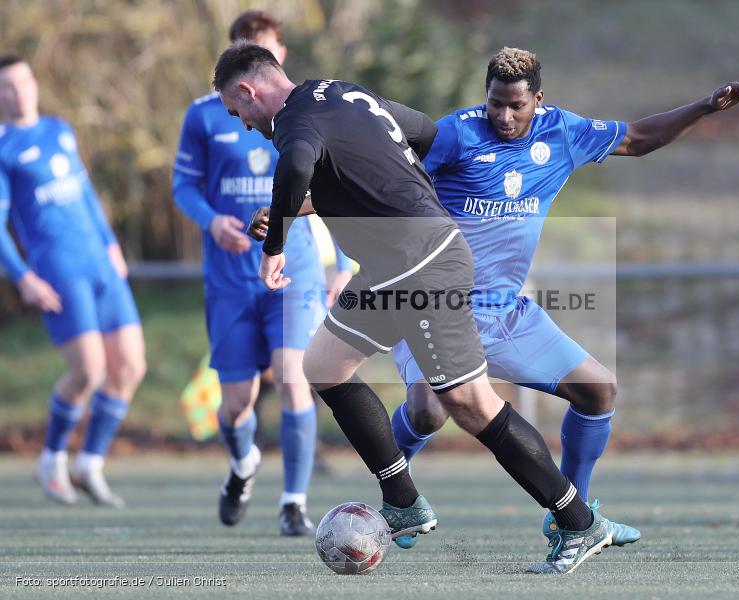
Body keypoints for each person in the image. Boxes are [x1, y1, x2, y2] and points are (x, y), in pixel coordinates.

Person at [214, 41, 613, 574]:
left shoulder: (295, 121)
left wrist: (275, 246)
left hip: (423, 264)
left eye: (235, 110)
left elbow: (295, 168)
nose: (240, 123)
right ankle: (402, 502)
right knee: (323, 367)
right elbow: (423, 130)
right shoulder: (344, 95)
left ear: (247, 89)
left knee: (469, 403)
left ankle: (580, 523)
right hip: (389, 269)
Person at [386, 47, 739, 557]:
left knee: (598, 390)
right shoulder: (455, 133)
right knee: (428, 412)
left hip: (504, 312)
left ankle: (573, 517)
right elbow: (384, 183)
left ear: (538, 100)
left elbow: (638, 138)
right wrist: (297, 207)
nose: (505, 116)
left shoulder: (562, 131)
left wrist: (706, 106)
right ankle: (397, 497)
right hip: (434, 306)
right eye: (496, 103)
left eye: (516, 105)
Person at [172, 11, 351, 536]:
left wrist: (340, 263)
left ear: (277, 57)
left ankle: (293, 504)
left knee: (297, 382)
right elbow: (183, 188)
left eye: (262, 46)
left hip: (293, 272)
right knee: (235, 405)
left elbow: (333, 190)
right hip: (230, 280)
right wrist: (212, 222)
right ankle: (244, 462)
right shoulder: (208, 116)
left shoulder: (303, 117)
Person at [0, 54, 147, 508]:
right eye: (7, 86)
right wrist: (22, 277)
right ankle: (51, 458)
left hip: (100, 263)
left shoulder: (60, 129)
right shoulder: (3, 147)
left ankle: (90, 463)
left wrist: (110, 243)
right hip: (58, 269)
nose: (18, 91)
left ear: (35, 84)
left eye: (23, 82)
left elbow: (84, 192)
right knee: (88, 371)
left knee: (129, 367)